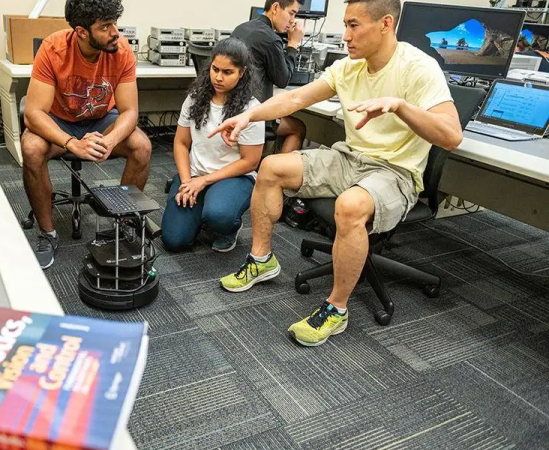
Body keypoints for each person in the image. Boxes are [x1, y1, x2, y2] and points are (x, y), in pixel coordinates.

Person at [212, 0, 462, 346]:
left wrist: (401, 107)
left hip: (395, 171)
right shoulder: (349, 67)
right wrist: (248, 117)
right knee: (271, 167)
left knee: (349, 206)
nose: (345, 36)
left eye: (354, 25)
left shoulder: (419, 68)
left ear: (386, 24)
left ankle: (336, 308)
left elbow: (452, 136)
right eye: (345, 25)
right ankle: (262, 260)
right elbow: (295, 98)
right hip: (350, 159)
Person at [21, 0, 152, 269]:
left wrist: (110, 140)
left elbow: (129, 111)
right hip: (61, 122)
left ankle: (124, 224)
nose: (115, 32)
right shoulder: (53, 48)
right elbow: (33, 113)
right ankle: (48, 233)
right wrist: (71, 143)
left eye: (114, 23)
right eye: (105, 27)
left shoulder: (121, 49)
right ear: (81, 32)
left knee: (141, 145)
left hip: (103, 120)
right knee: (32, 148)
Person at [161, 38, 265, 253]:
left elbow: (250, 161)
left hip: (232, 177)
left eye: (227, 72)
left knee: (220, 216)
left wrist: (204, 181)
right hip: (194, 174)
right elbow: (181, 143)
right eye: (215, 69)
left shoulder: (251, 110)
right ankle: (200, 212)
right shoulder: (195, 98)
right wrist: (187, 181)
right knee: (174, 240)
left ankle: (228, 226)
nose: (218, 77)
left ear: (242, 73)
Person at [232, 0, 308, 153]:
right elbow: (282, 80)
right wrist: (293, 44)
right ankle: (276, 173)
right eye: (291, 13)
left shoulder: (241, 28)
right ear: (275, 8)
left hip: (231, 107)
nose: (293, 20)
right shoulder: (270, 39)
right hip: (254, 116)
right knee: (298, 128)